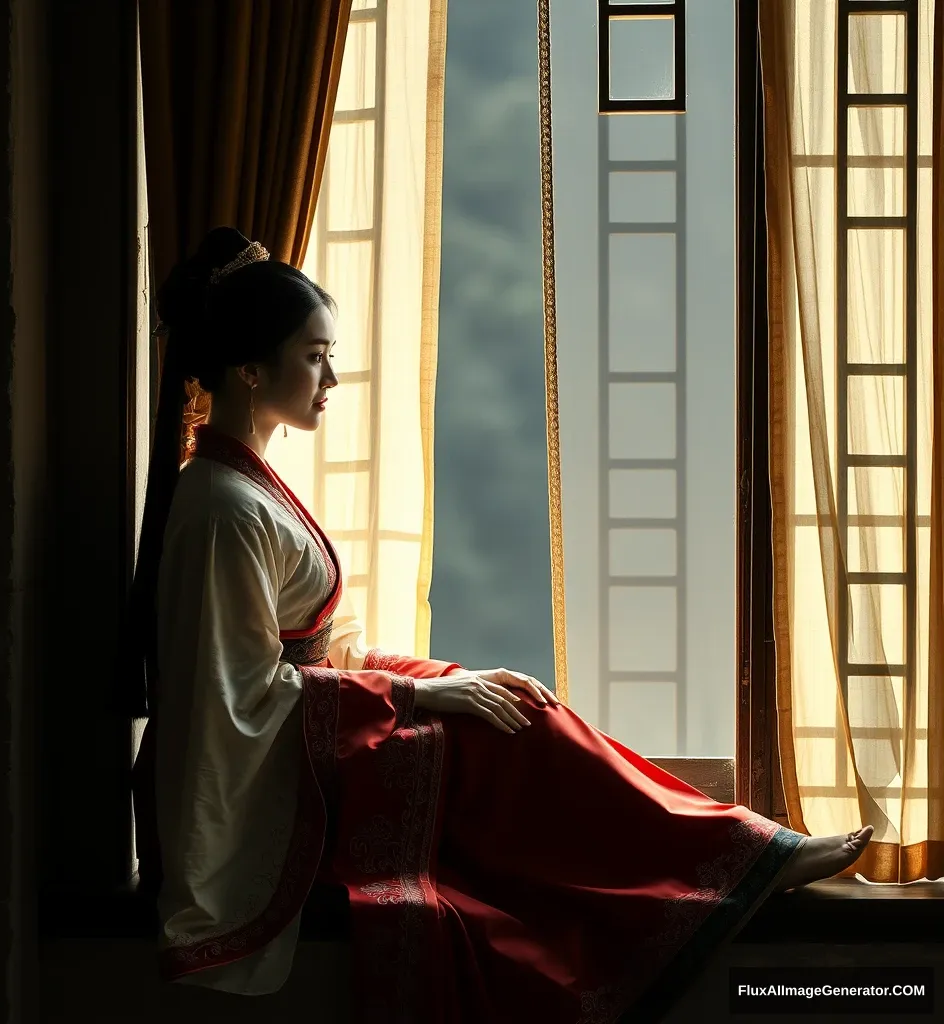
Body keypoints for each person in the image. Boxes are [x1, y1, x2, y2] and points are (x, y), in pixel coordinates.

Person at [123, 227, 873, 1023]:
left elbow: (320, 651)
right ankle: (739, 862)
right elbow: (237, 694)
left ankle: (735, 854)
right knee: (503, 737)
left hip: (317, 720)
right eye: (313, 357)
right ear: (249, 369)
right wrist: (417, 703)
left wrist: (439, 681)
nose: (333, 377)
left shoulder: (248, 487)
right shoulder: (222, 508)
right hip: (282, 776)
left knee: (516, 699)